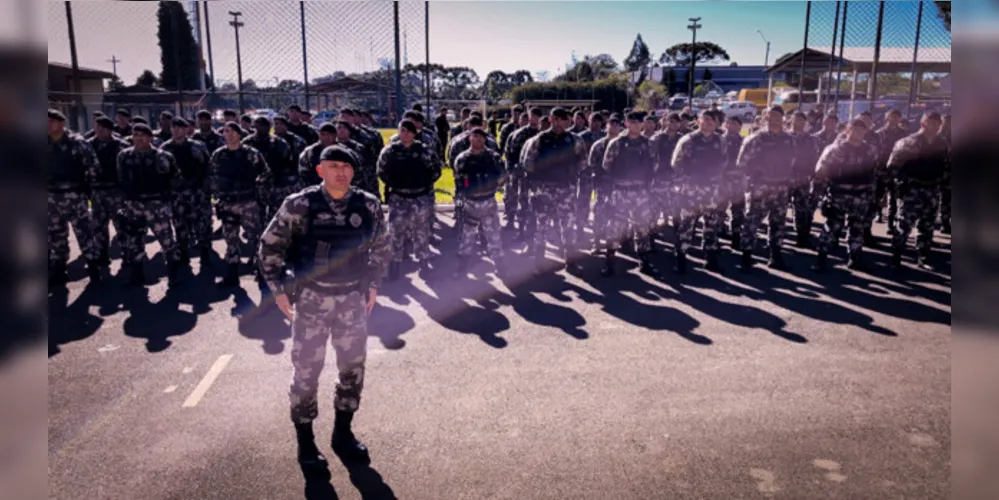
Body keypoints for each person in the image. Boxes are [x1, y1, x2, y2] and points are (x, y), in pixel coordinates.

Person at [258, 144, 390, 466]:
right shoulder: (299, 205)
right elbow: (269, 247)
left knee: (352, 370)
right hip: (312, 300)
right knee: (306, 373)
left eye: (347, 166)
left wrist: (373, 283)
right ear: (320, 170)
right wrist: (278, 290)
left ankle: (342, 433)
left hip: (351, 302)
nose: (341, 172)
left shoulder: (369, 205)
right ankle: (305, 442)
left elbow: (383, 247)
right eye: (333, 166)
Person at [116, 124, 184, 285]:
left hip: (157, 204)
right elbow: (121, 178)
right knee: (134, 240)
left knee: (167, 240)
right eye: (135, 135)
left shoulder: (163, 156)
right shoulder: (124, 156)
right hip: (134, 204)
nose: (138, 138)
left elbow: (175, 178)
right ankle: (137, 273)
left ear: (150, 138)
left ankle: (173, 274)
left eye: (142, 135)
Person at [521, 107, 587, 274]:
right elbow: (528, 163)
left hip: (567, 188)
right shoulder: (539, 140)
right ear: (550, 119)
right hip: (545, 188)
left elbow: (583, 162)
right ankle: (539, 260)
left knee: (568, 224)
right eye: (555, 119)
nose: (558, 123)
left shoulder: (575, 140)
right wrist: (537, 181)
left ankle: (570, 260)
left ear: (567, 121)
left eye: (562, 119)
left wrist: (569, 173)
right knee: (541, 224)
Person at [209, 122, 272, 285]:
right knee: (230, 239)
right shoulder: (218, 154)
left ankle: (262, 271)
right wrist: (218, 194)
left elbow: (265, 172)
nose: (227, 134)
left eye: (230, 131)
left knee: (256, 238)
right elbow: (212, 176)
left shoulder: (251, 153)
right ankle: (232, 273)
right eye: (225, 131)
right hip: (228, 203)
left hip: (247, 202)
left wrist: (255, 186)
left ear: (238, 134)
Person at [377, 119, 441, 280]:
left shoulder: (424, 151)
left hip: (419, 197)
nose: (405, 134)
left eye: (408, 131)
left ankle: (423, 261)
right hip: (398, 197)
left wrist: (423, 183)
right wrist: (394, 183)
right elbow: (381, 170)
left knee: (421, 231)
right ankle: (395, 263)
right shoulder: (390, 151)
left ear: (414, 133)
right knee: (395, 232)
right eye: (402, 130)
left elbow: (435, 170)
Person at [812, 118, 879, 272]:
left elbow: (873, 172)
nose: (858, 133)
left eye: (861, 130)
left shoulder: (870, 150)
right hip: (839, 194)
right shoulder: (835, 149)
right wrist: (820, 193)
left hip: (860, 195)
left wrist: (873, 196)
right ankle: (821, 257)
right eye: (854, 129)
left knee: (857, 227)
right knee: (832, 226)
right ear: (847, 130)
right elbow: (820, 171)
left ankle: (854, 257)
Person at [737, 105, 797, 271]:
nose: (774, 119)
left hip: (781, 186)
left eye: (777, 116)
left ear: (783, 118)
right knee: (752, 222)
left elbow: (792, 161)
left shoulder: (789, 139)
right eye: (770, 116)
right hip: (760, 186)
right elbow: (741, 163)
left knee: (778, 222)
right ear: (764, 118)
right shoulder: (756, 138)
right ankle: (747, 256)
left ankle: (775, 255)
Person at [888, 111, 950, 270]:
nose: (935, 126)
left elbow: (946, 164)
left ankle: (923, 257)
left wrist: (943, 181)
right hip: (913, 189)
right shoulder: (909, 142)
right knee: (904, 225)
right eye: (931, 122)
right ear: (923, 123)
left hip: (932, 189)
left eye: (938, 123)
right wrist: (901, 185)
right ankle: (896, 257)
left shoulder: (942, 143)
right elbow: (893, 165)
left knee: (927, 226)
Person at [600, 111, 659, 277]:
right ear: (626, 124)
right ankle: (609, 262)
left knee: (642, 228)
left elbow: (654, 165)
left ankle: (644, 261)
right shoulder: (617, 143)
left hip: (640, 192)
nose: (634, 124)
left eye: (637, 122)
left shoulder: (648, 144)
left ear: (642, 124)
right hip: (620, 191)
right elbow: (607, 165)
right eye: (631, 121)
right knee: (615, 227)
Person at [48, 109, 102, 284]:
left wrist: (86, 188)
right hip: (50, 197)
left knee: (84, 232)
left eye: (51, 121)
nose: (47, 125)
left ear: (62, 123)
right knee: (56, 234)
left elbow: (93, 167)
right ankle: (59, 268)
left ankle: (94, 267)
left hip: (74, 196)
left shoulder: (77, 143)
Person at [670, 112, 727, 274]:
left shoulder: (720, 140)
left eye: (712, 120)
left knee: (712, 225)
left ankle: (710, 259)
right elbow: (676, 164)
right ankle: (680, 259)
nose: (709, 123)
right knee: (686, 227)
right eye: (706, 120)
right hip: (691, 191)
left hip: (711, 190)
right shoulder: (688, 140)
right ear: (698, 121)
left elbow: (724, 161)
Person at [452, 128, 508, 276]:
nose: (478, 139)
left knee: (493, 235)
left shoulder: (493, 157)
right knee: (467, 236)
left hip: (488, 201)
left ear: (485, 139)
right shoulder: (462, 158)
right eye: (475, 136)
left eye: (481, 137)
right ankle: (462, 267)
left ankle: (500, 265)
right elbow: (457, 180)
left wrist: (492, 184)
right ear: (470, 138)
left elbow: (503, 176)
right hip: (469, 203)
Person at [160, 118, 213, 264]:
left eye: (180, 127)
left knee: (202, 223)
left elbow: (208, 167)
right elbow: (161, 172)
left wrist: (206, 188)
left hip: (197, 190)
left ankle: (205, 251)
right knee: (179, 223)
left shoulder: (198, 146)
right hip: (177, 193)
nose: (176, 130)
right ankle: (183, 252)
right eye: (174, 127)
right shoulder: (165, 148)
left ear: (186, 129)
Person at [87, 116, 131, 269]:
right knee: (98, 226)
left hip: (116, 192)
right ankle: (102, 256)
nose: (98, 131)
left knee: (122, 225)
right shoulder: (88, 145)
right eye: (97, 127)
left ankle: (128, 255)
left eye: (102, 128)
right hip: (97, 192)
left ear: (109, 130)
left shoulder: (121, 145)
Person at [243, 116, 295, 225]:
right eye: (258, 125)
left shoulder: (279, 142)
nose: (261, 128)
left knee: (275, 215)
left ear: (269, 127)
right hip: (254, 186)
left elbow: (287, 162)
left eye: (264, 125)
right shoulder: (248, 142)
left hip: (275, 184)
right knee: (256, 215)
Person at [504, 107, 543, 239]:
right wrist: (513, 173)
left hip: (538, 175)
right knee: (520, 201)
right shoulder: (518, 134)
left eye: (537, 116)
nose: (534, 119)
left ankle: (535, 232)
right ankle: (518, 228)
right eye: (533, 116)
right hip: (520, 175)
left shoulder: (542, 134)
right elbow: (510, 154)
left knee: (536, 204)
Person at [589, 115, 623, 253]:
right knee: (599, 214)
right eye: (611, 123)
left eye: (617, 124)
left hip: (620, 186)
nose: (614, 126)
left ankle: (617, 242)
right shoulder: (598, 145)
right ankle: (596, 243)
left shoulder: (624, 143)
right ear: (606, 126)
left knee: (619, 215)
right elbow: (592, 164)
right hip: (602, 186)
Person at [649, 113, 684, 247]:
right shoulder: (657, 138)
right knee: (654, 210)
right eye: (671, 121)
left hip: (676, 179)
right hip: (660, 179)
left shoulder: (682, 139)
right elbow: (650, 159)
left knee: (677, 211)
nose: (674, 124)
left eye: (676, 122)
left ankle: (678, 242)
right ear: (665, 122)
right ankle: (651, 239)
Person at [789, 111, 822, 249]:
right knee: (778, 211)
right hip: (785, 178)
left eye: (802, 120)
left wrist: (813, 173)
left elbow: (815, 157)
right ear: (791, 121)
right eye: (796, 120)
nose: (799, 123)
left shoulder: (811, 139)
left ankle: (801, 237)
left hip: (803, 179)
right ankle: (775, 241)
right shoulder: (785, 137)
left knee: (802, 209)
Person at [872, 109, 909, 234]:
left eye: (897, 117)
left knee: (894, 198)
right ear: (886, 118)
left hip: (897, 171)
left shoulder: (904, 134)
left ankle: (891, 224)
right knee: (876, 197)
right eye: (892, 117)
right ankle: (876, 216)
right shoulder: (879, 134)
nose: (894, 120)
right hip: (881, 170)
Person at [575, 113, 606, 242]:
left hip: (601, 175)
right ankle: (580, 228)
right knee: (582, 201)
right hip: (585, 174)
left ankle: (600, 229)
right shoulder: (582, 137)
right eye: (594, 120)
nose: (596, 123)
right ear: (589, 121)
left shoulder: (605, 136)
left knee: (601, 202)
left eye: (598, 121)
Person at [721, 116, 746, 249]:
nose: (731, 126)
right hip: (722, 180)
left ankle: (736, 236)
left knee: (738, 210)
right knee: (719, 210)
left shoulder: (744, 141)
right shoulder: (719, 140)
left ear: (740, 126)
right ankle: (719, 234)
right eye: (729, 123)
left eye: (735, 124)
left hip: (738, 180)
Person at [298, 123, 338, 187]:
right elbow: (302, 171)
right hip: (314, 187)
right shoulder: (309, 151)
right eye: (323, 134)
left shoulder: (342, 151)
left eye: (329, 134)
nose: (326, 137)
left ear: (335, 136)